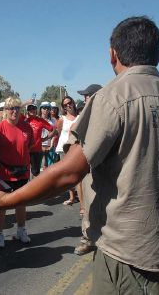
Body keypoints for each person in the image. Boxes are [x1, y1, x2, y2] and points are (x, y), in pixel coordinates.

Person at [0, 16, 159, 295]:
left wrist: (7, 200)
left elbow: (68, 172)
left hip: (128, 254)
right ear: (157, 55)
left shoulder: (113, 97)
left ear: (112, 54)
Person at [0, 97, 34, 248]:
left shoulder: (27, 127)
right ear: (5, 110)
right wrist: (2, 157)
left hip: (23, 173)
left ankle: (21, 231)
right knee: (2, 205)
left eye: (17, 108)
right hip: (4, 174)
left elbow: (30, 146)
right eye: (11, 108)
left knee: (21, 203)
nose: (14, 111)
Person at [73, 83, 102, 256]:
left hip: (105, 170)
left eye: (87, 95)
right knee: (89, 208)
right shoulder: (85, 115)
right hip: (88, 169)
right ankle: (88, 240)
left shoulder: (108, 114)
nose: (84, 99)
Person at [56, 96, 81, 208]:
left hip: (76, 149)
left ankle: (82, 200)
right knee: (68, 174)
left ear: (73, 103)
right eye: (65, 105)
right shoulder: (62, 119)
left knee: (79, 174)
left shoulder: (80, 117)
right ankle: (71, 196)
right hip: (64, 149)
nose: (68, 106)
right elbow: (60, 133)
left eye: (69, 103)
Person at [25, 103, 55, 177]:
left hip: (36, 150)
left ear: (36, 109)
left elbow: (53, 130)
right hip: (25, 150)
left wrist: (44, 139)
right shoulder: (24, 121)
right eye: (30, 109)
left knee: (35, 173)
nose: (32, 110)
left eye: (34, 108)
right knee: (25, 172)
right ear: (27, 111)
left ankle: (35, 187)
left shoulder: (40, 121)